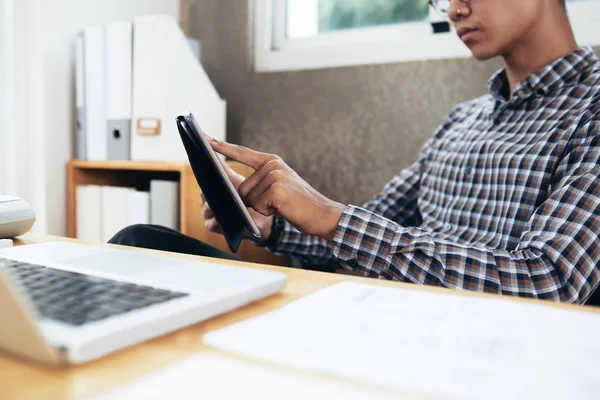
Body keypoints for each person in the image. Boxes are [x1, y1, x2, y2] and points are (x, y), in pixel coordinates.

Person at [111, 0, 600, 304]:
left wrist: (330, 216)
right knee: (141, 244)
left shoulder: (591, 109)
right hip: (378, 311)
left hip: (471, 347)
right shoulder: (463, 119)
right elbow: (372, 225)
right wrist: (276, 223)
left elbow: (549, 283)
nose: (453, 8)